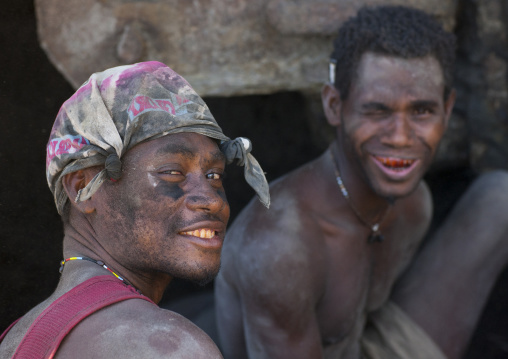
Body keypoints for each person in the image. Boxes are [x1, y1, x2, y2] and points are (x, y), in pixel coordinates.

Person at [215, 5, 508, 359]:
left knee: (500, 198)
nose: (400, 137)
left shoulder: (414, 206)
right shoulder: (281, 249)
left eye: (422, 111)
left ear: (447, 110)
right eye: (377, 110)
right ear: (335, 106)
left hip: (366, 345)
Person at [0, 61, 269, 358]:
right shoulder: (169, 348)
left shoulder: (15, 340)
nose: (213, 200)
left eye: (214, 175)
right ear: (82, 188)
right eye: (172, 172)